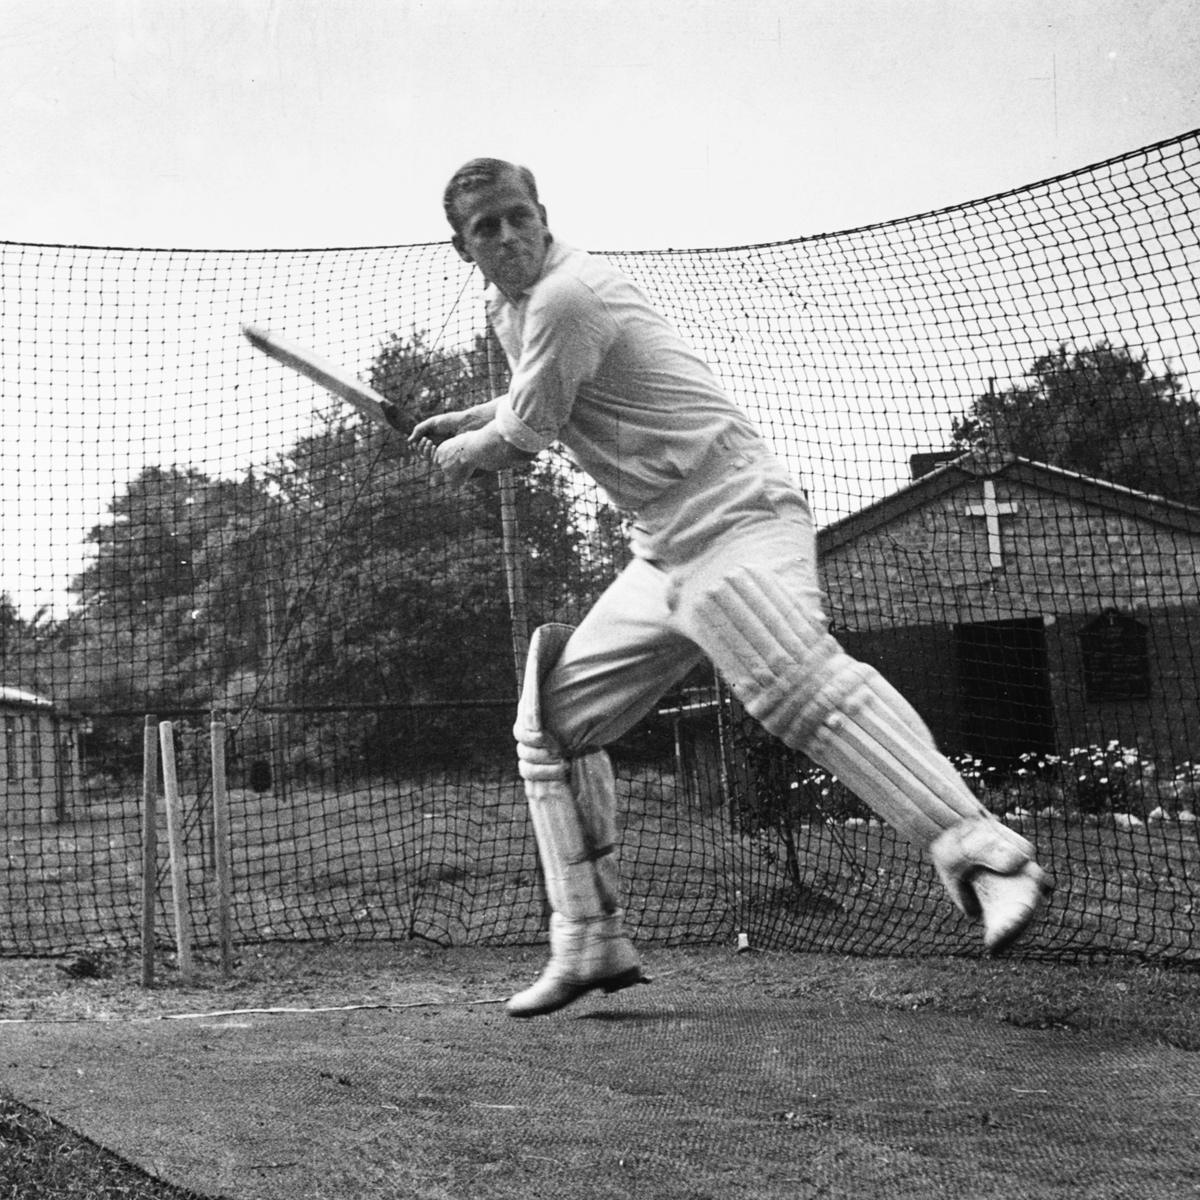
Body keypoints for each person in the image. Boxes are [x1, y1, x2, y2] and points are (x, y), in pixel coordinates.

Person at [410, 158, 1053, 1019]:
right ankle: (589, 941)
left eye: (518, 217)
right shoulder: (509, 307)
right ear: (463, 248)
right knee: (553, 726)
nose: (507, 236)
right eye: (485, 228)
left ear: (543, 215)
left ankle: (988, 858)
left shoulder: (569, 292)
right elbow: (541, 388)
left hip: (738, 511)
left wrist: (466, 448)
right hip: (663, 545)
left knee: (790, 680)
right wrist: (468, 416)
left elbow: (526, 432)